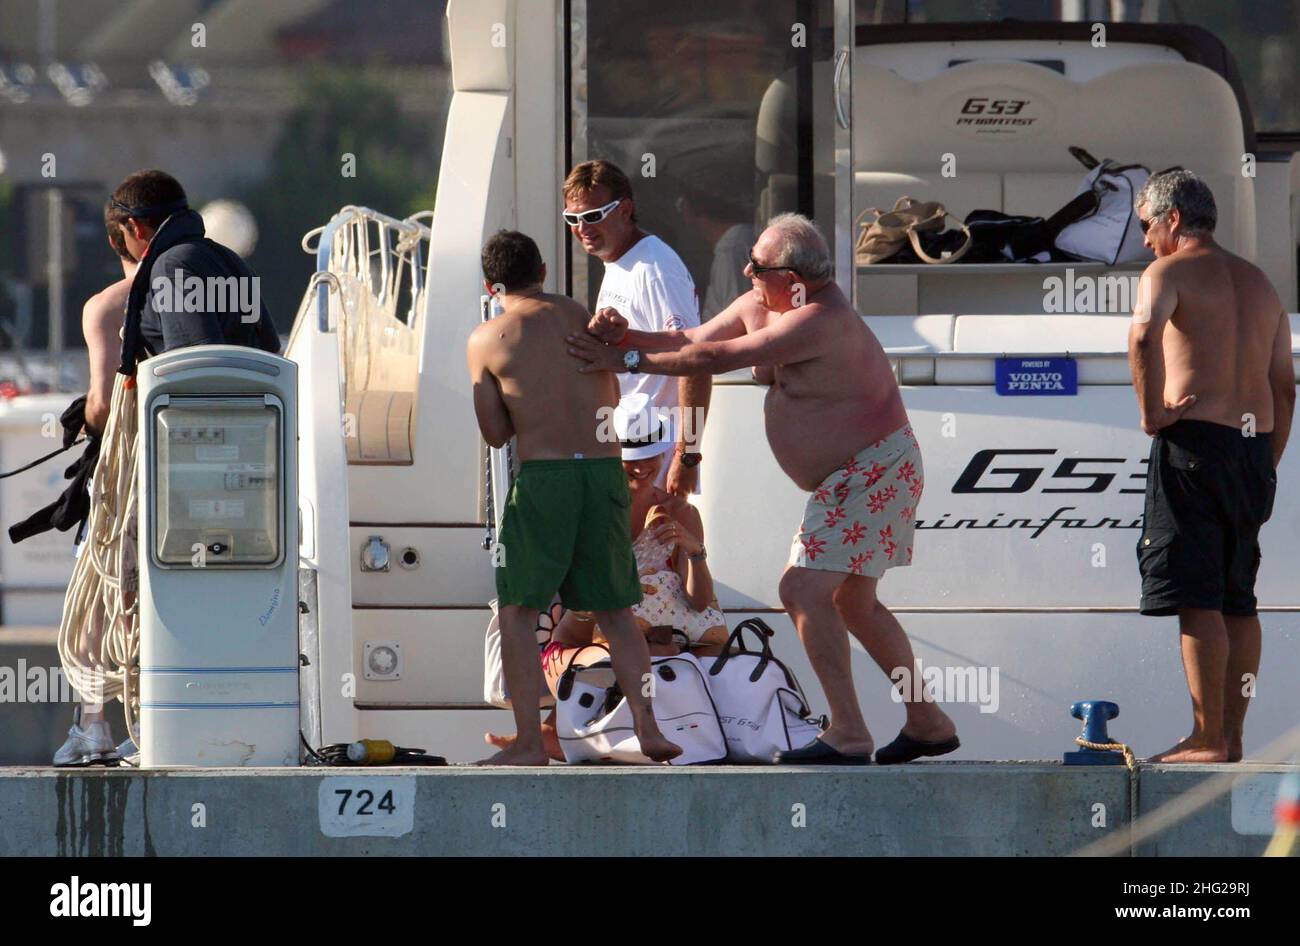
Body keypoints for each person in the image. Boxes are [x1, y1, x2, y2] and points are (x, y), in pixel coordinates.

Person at [568, 212, 958, 765]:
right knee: (855, 602)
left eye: (759, 265)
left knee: (803, 591)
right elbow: (690, 338)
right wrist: (625, 335)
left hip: (875, 468)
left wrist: (623, 359)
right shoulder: (763, 302)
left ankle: (849, 732)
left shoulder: (821, 319)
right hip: (858, 475)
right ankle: (928, 721)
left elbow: (714, 358)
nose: (746, 269)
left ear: (795, 278)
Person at [467, 229, 681, 765]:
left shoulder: (487, 338)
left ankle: (525, 743)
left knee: (518, 612)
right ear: (542, 270)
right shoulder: (578, 313)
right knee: (615, 610)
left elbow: (495, 432)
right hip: (605, 472)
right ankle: (649, 729)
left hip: (548, 479)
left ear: (492, 286)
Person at [1128, 169, 1294, 763]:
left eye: (1148, 225)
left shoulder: (1167, 272)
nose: (1146, 240)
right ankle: (1231, 736)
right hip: (1252, 448)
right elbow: (1285, 384)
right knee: (1238, 599)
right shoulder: (1261, 284)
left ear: (1172, 219)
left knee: (1198, 597)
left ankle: (1205, 735)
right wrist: (1266, 459)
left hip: (1194, 441)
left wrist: (1152, 415)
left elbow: (1144, 336)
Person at [484, 395, 728, 761]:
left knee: (670, 650)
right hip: (586, 638)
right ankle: (557, 732)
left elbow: (697, 602)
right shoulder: (589, 510)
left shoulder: (680, 513)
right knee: (623, 642)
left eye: (650, 455)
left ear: (663, 454)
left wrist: (694, 551)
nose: (641, 466)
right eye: (630, 457)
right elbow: (572, 610)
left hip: (650, 638)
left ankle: (565, 734)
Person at [51, 203, 138, 767]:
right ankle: (153, 722)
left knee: (100, 591)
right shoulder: (220, 287)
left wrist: (83, 414)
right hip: (191, 475)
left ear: (122, 238)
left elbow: (104, 406)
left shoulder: (107, 305)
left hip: (119, 481)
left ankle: (94, 726)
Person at [563, 159, 710, 495]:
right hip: (630, 452)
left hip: (657, 462)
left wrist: (687, 457)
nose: (582, 227)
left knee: (658, 547)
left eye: (593, 215)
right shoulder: (620, 263)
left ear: (625, 210)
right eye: (573, 218)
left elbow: (695, 359)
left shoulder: (654, 268)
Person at [108, 169, 280, 362]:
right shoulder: (230, 259)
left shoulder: (170, 266)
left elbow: (193, 363)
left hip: (210, 391)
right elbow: (270, 352)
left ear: (136, 227)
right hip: (252, 390)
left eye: (123, 232)